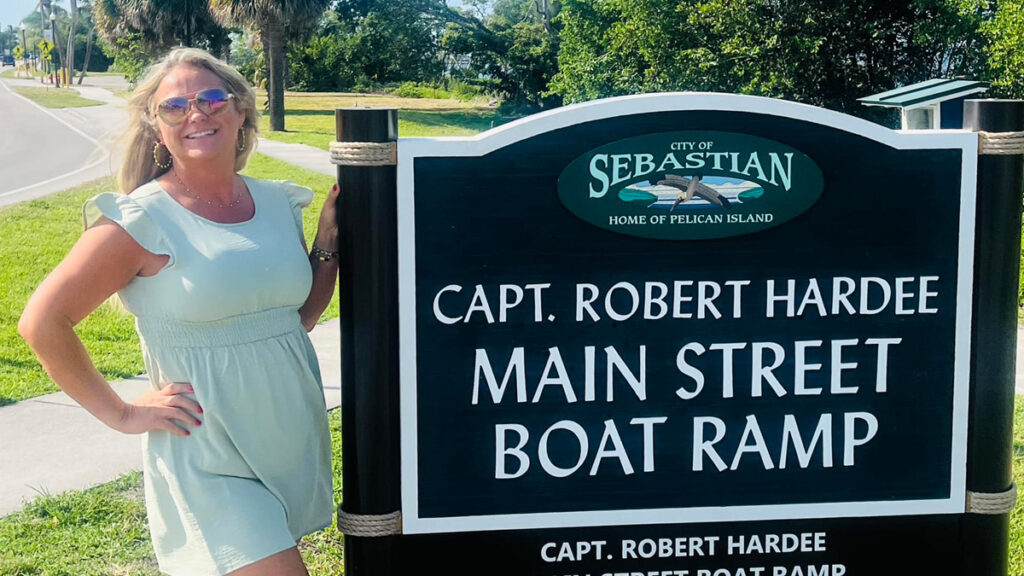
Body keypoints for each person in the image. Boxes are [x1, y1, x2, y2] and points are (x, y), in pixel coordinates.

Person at [18, 47, 340, 576]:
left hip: (285, 441)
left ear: (240, 113)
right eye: (175, 106)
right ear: (156, 127)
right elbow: (42, 322)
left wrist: (326, 242)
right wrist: (120, 414)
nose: (197, 113)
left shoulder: (278, 204)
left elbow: (293, 318)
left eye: (213, 98)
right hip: (208, 459)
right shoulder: (140, 220)